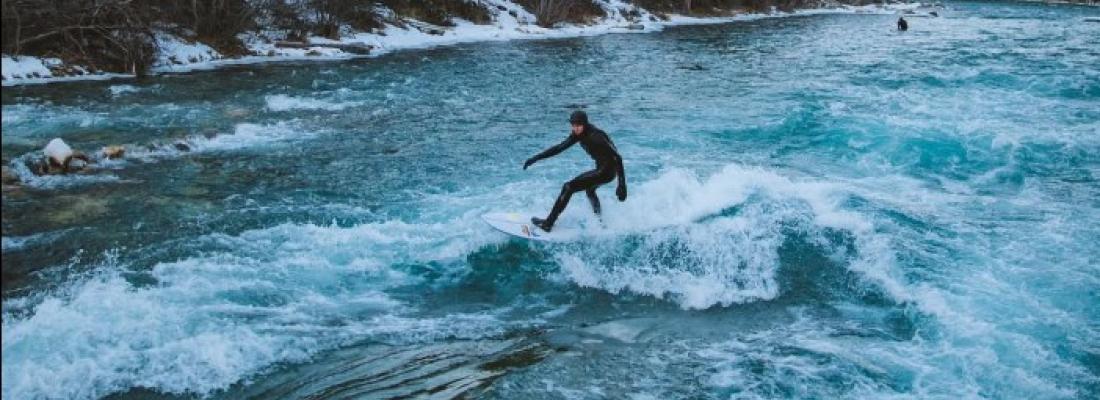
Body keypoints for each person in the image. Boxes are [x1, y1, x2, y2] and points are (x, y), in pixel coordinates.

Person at [523, 111, 626, 232]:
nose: (575, 128)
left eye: (578, 125)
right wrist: (536, 158)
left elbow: (617, 157)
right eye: (573, 125)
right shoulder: (578, 134)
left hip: (607, 171)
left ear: (585, 124)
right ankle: (600, 221)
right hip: (601, 169)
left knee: (568, 187)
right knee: (590, 190)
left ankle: (548, 223)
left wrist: (622, 185)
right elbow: (559, 148)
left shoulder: (596, 136)